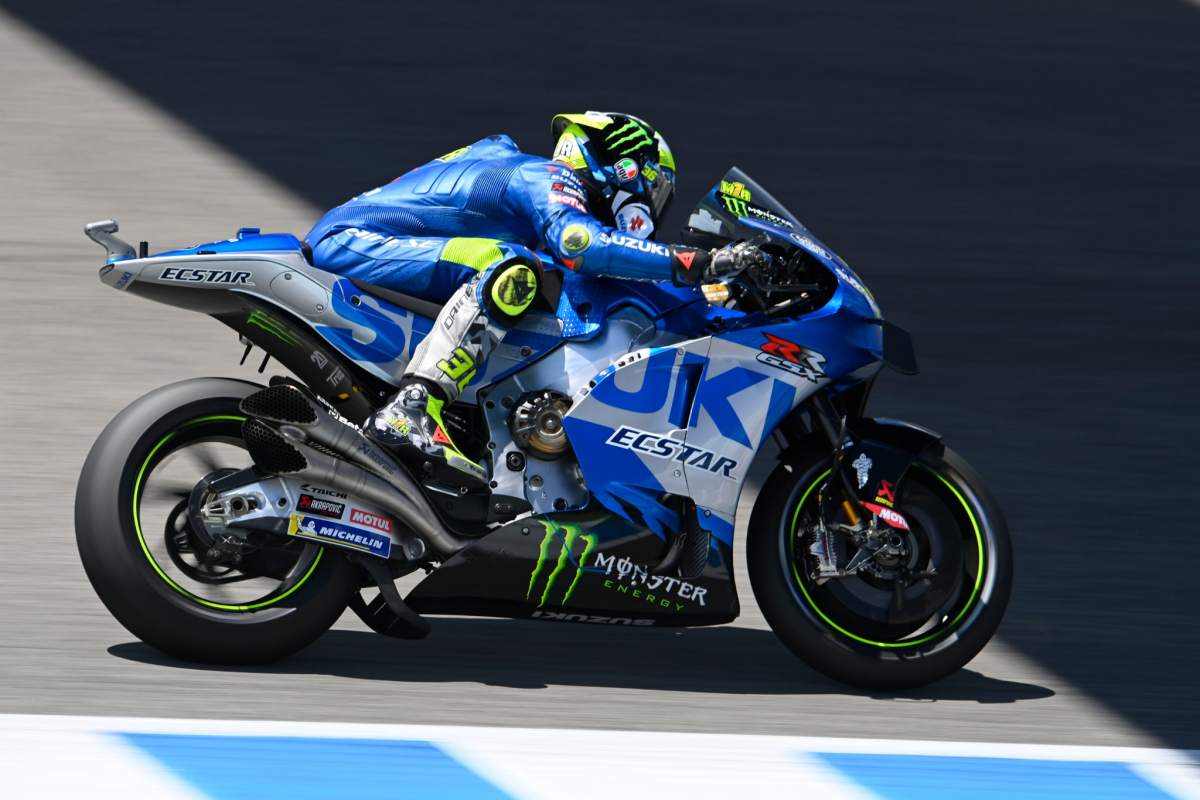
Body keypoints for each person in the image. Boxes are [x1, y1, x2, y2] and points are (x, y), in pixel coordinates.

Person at [305, 111, 765, 486]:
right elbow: (581, 244)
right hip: (353, 239)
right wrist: (698, 263)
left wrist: (716, 298)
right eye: (654, 184)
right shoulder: (545, 175)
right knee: (512, 267)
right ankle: (412, 407)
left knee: (528, 274)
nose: (652, 203)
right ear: (623, 166)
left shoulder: (536, 186)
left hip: (378, 245)